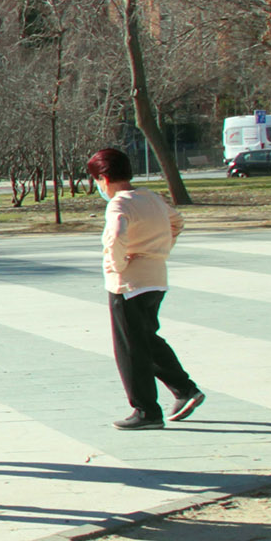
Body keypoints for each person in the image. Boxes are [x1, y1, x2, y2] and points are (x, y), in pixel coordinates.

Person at [90, 148, 205, 430]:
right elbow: (176, 221)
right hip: (155, 278)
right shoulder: (151, 197)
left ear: (104, 178)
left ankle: (146, 410)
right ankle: (184, 389)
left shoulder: (118, 204)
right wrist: (159, 249)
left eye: (96, 180)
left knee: (130, 348)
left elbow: (116, 235)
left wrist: (116, 264)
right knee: (146, 338)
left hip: (128, 283)